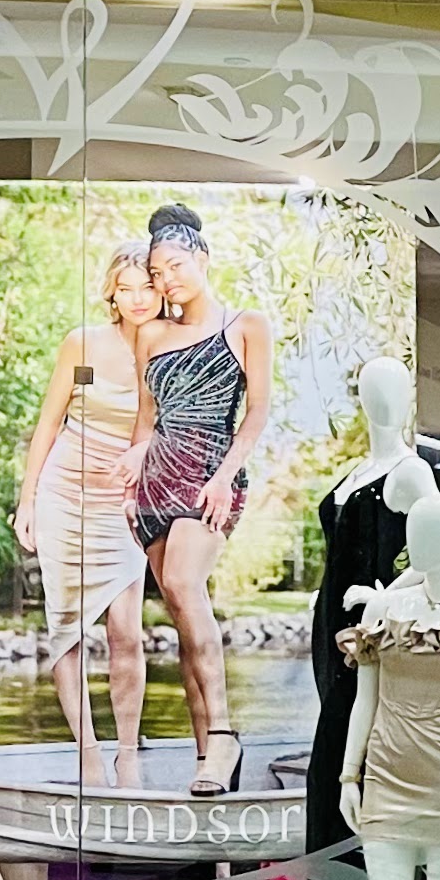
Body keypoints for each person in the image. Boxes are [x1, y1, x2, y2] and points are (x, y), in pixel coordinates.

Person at [112, 204, 273, 797]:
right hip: (156, 480)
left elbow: (257, 411)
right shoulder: (151, 334)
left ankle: (224, 733)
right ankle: (207, 756)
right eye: (157, 273)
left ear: (202, 258)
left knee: (182, 583)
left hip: (210, 472)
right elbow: (147, 415)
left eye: (175, 266)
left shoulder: (246, 325)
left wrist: (226, 475)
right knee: (182, 615)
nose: (167, 281)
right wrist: (133, 472)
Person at [15, 242, 160, 788]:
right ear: (112, 294)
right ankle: (88, 753)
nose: (138, 299)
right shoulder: (83, 344)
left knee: (127, 631)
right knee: (67, 630)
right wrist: (28, 499)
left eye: (147, 287)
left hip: (121, 503)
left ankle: (128, 754)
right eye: (127, 288)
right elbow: (49, 423)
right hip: (64, 494)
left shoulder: (173, 347)